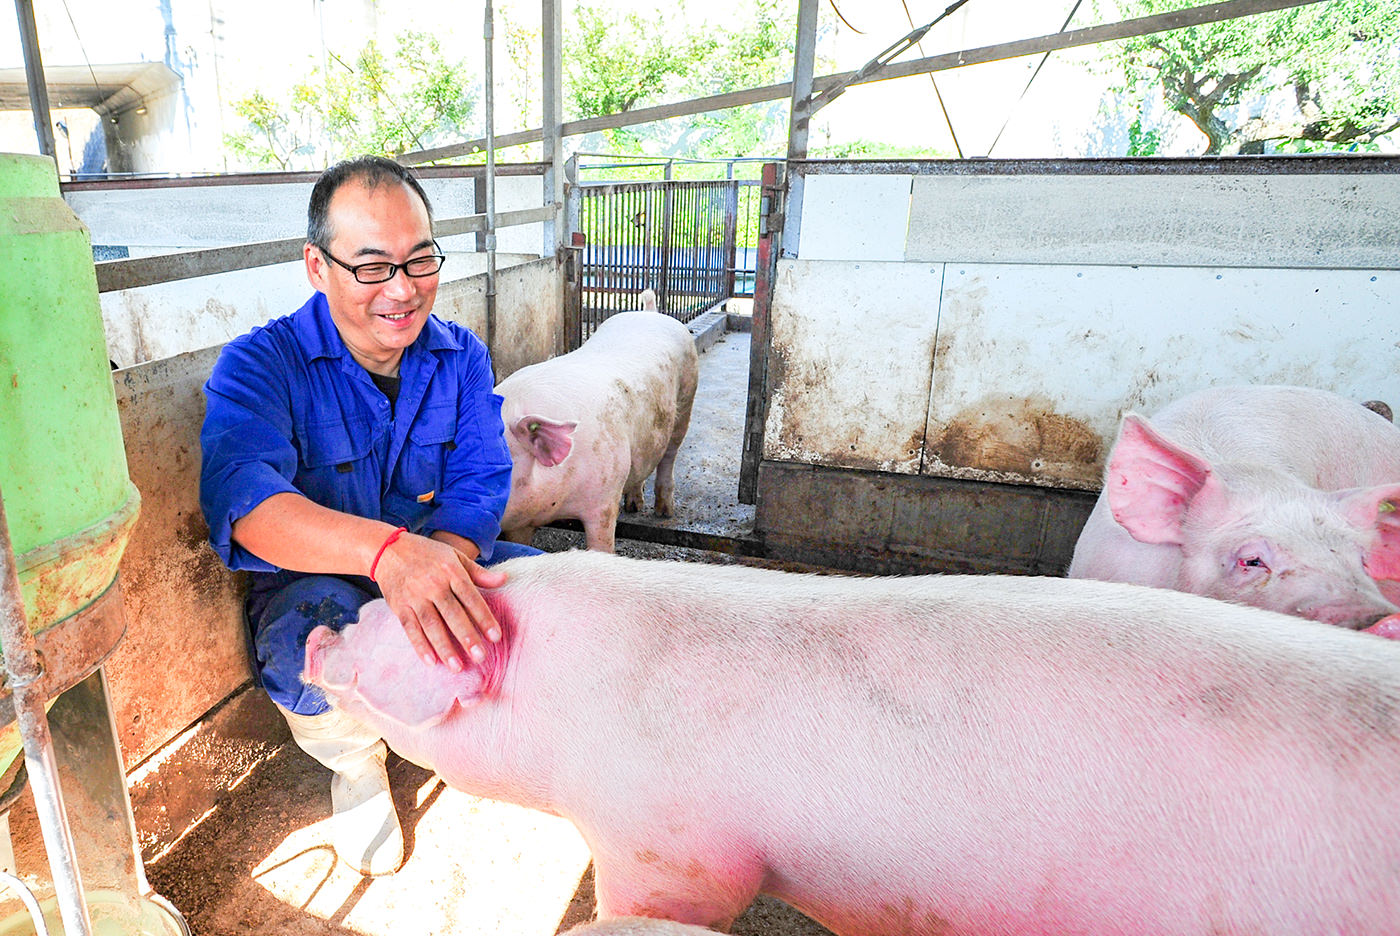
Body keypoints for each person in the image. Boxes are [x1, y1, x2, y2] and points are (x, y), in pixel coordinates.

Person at [200, 155, 538, 876]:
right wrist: (389, 560)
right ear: (316, 267)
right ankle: (356, 764)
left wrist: (435, 569)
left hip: (441, 553)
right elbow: (248, 503)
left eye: (421, 260)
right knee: (303, 643)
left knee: (558, 593)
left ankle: (481, 733)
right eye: (374, 267)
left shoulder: (460, 355)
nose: (405, 290)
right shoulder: (259, 366)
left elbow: (480, 481)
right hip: (318, 583)